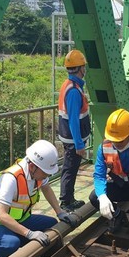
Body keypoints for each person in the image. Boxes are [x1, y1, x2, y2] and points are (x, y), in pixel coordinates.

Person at [0, 139, 78, 257]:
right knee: (10, 243)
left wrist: (59, 212)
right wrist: (29, 233)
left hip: (17, 219)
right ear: (32, 166)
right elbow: (0, 215)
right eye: (45, 173)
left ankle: (27, 244)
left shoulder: (37, 174)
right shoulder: (10, 178)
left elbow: (46, 188)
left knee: (51, 224)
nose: (46, 176)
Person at [58, 49, 91, 212]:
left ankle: (69, 198)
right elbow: (73, 120)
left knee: (70, 167)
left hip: (69, 137)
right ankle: (66, 201)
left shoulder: (71, 85)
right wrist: (79, 144)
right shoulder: (73, 90)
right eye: (83, 66)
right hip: (72, 139)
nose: (85, 69)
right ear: (80, 68)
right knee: (70, 169)